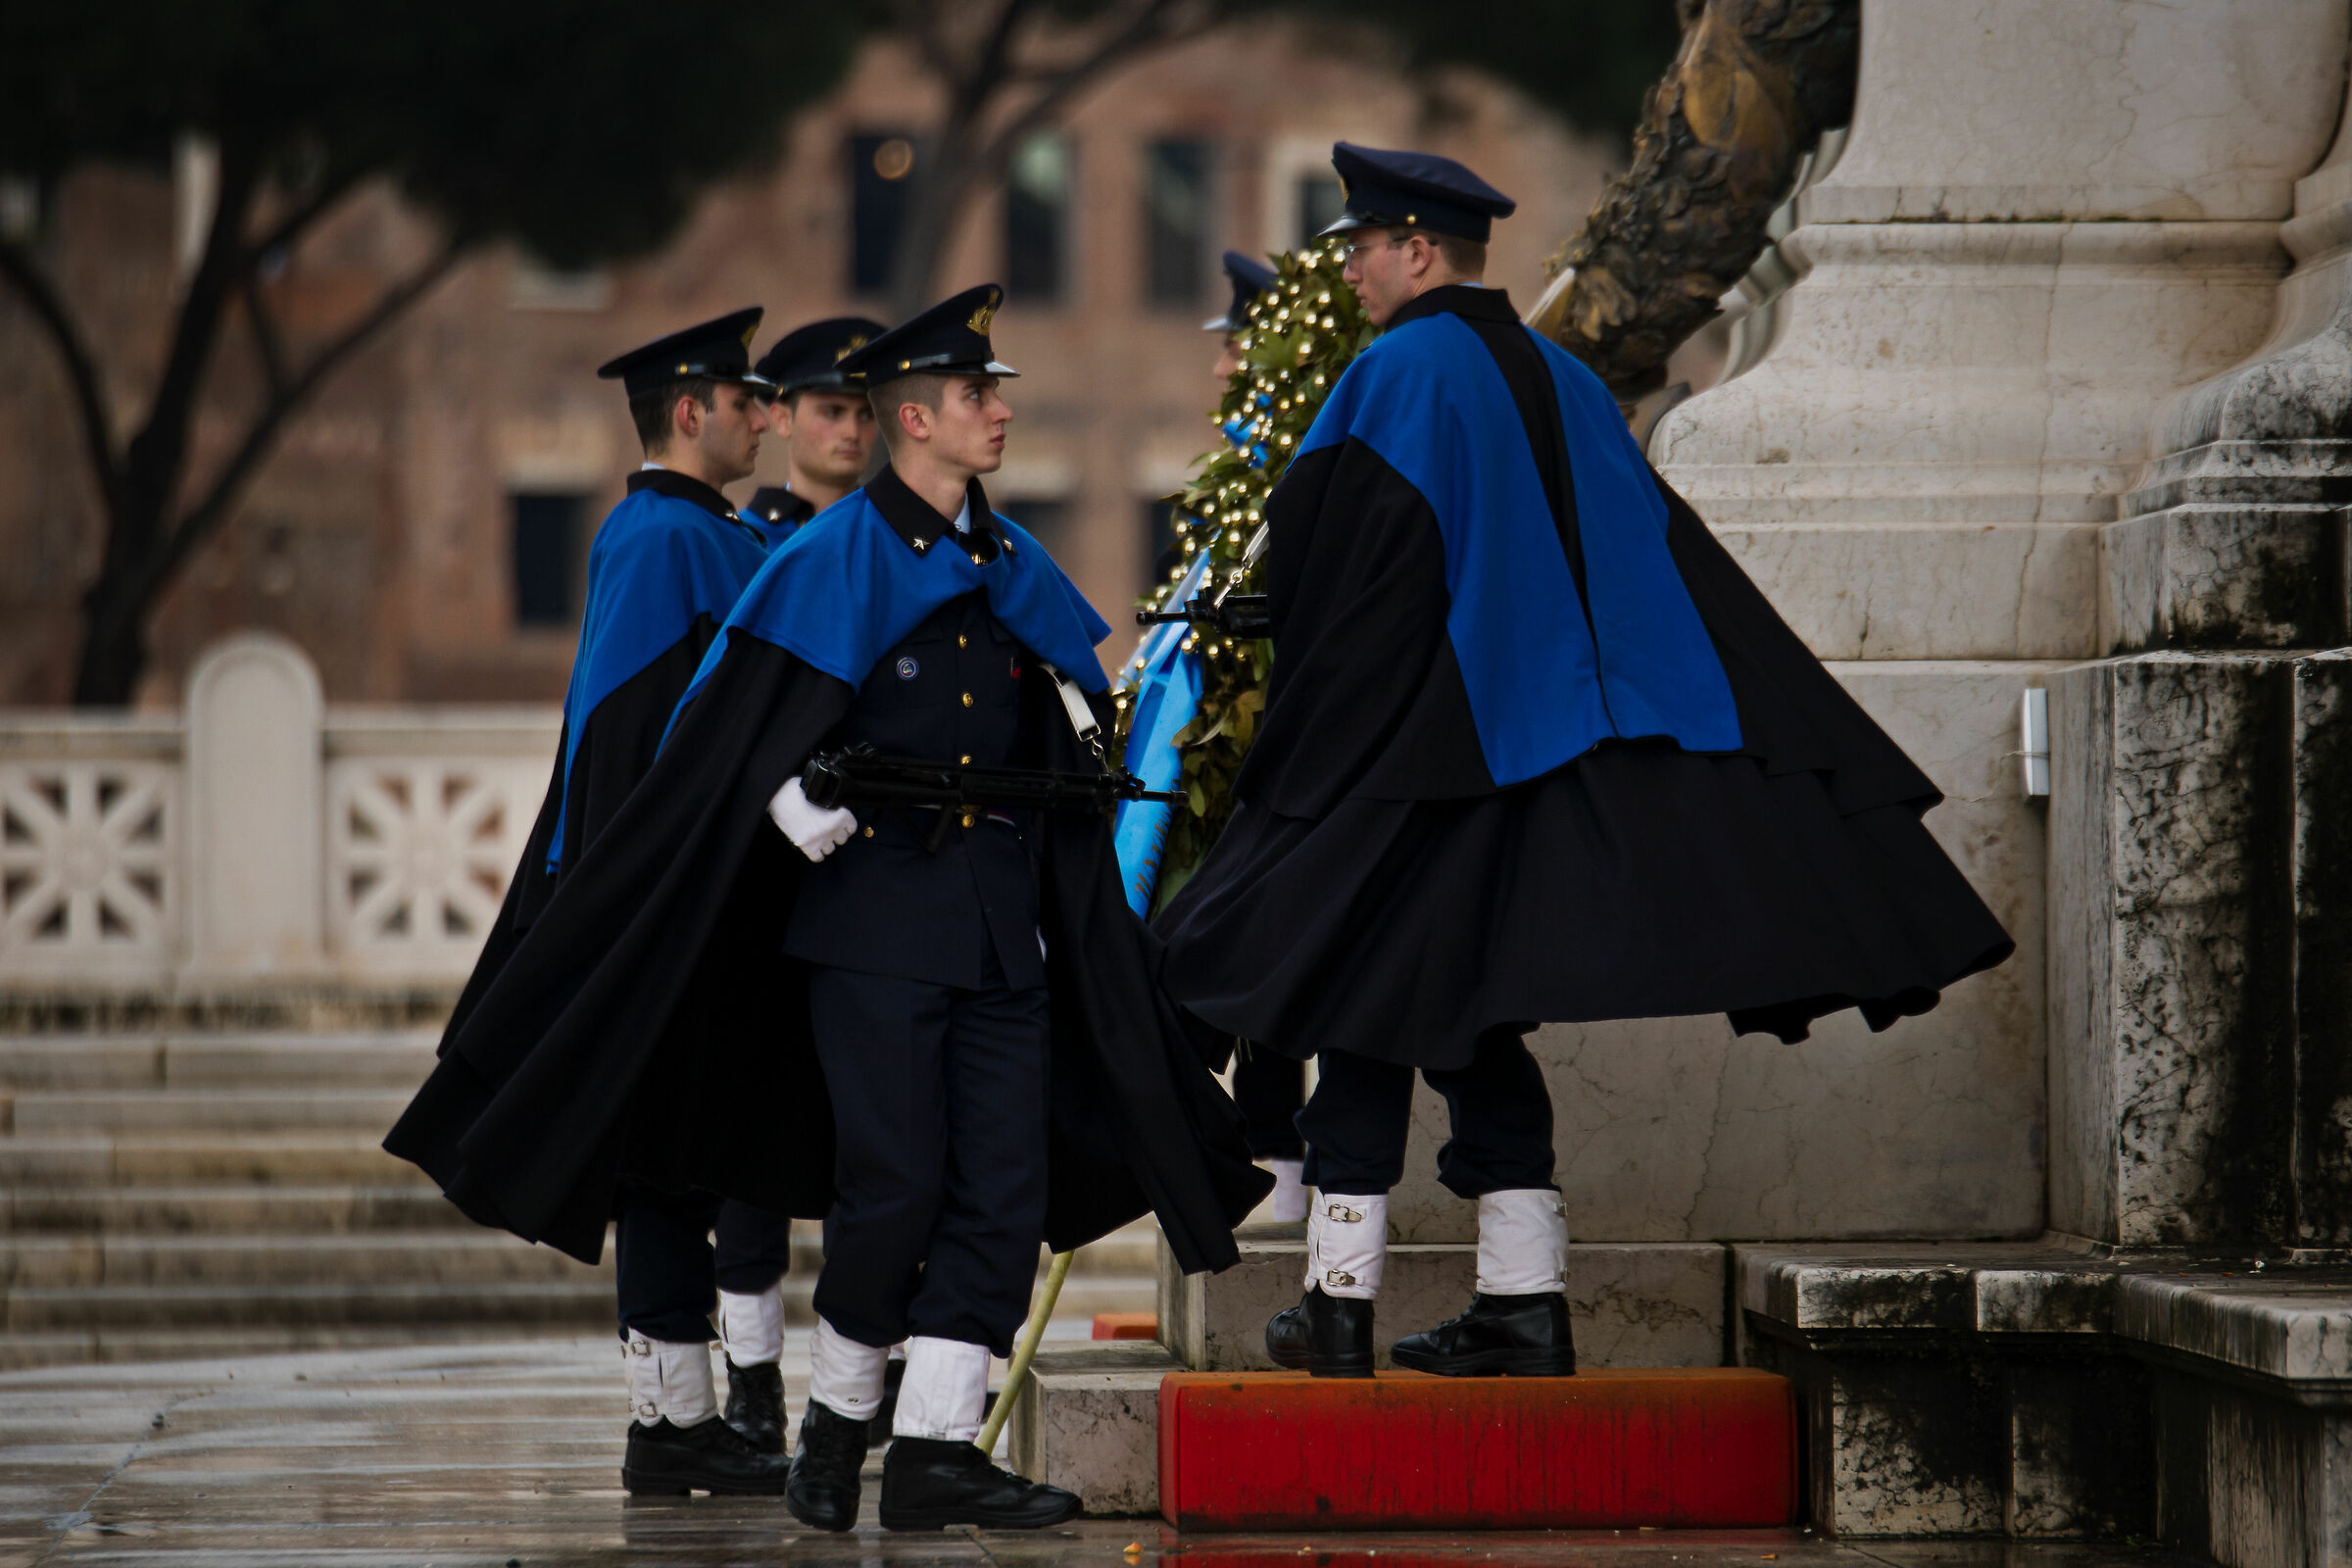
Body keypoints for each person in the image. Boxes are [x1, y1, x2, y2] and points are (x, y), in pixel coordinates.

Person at [383, 284, 1268, 1527]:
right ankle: (840, 1423)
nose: (998, 411)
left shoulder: (1014, 562)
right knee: (894, 1184)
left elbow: (1067, 728)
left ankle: (935, 1449)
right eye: (976, 395)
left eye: (995, 391)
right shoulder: (820, 563)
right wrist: (782, 801)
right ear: (914, 418)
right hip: (872, 936)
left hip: (1001, 930)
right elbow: (720, 742)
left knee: (1002, 1189)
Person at [1154, 142, 2015, 1380]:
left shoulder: (1396, 372)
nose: (1347, 268)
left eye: (1359, 246)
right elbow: (1661, 570)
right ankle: (1522, 1300)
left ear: (1412, 249)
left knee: (1358, 1005)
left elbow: (1347, 576)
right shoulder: (1563, 379)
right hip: (1552, 764)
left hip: (1422, 760)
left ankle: (1340, 1305)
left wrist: (1295, 731)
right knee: (1473, 1018)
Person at [434, 310, 801, 1489]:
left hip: (707, 910)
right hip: (673, 913)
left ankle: (682, 1422)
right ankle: (670, 1425)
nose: (764, 415)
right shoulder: (661, 539)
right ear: (690, 411)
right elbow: (625, 742)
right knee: (661, 1163)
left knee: (687, 1156)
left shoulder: (702, 532)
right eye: (746, 399)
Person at [1200, 249, 1310, 1223]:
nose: (1227, 362)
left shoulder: (1294, 456)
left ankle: (1278, 1159)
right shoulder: (1243, 459)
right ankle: (1261, 1153)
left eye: (1241, 342)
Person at [744, 316, 887, 541]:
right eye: (832, 412)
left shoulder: (896, 536)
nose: (852, 432)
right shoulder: (748, 539)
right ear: (783, 420)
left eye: (867, 414)